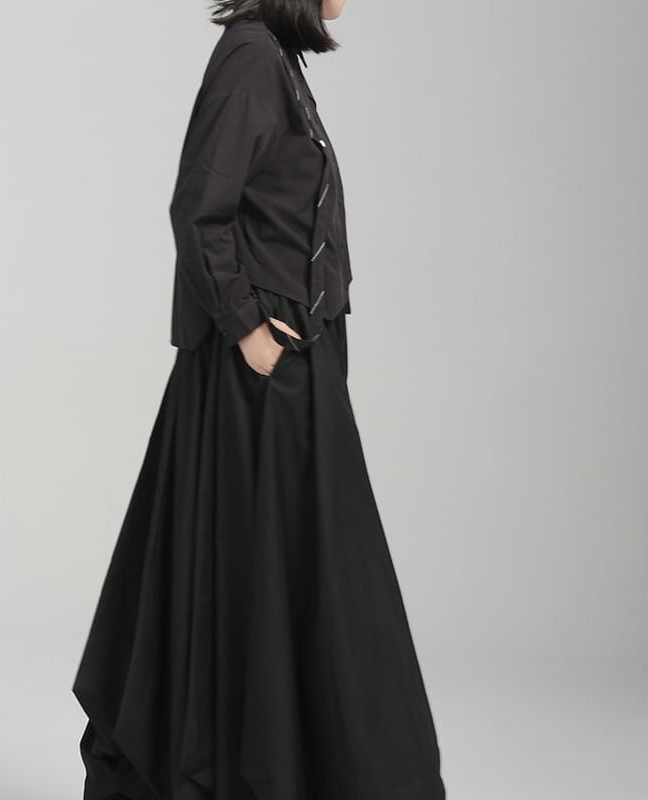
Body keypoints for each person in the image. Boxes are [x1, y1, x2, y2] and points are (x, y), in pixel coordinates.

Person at [72, 2, 447, 799]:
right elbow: (197, 208)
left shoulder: (275, 59)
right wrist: (247, 326)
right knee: (280, 578)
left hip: (291, 364)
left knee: (294, 578)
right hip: (262, 374)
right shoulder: (250, 58)